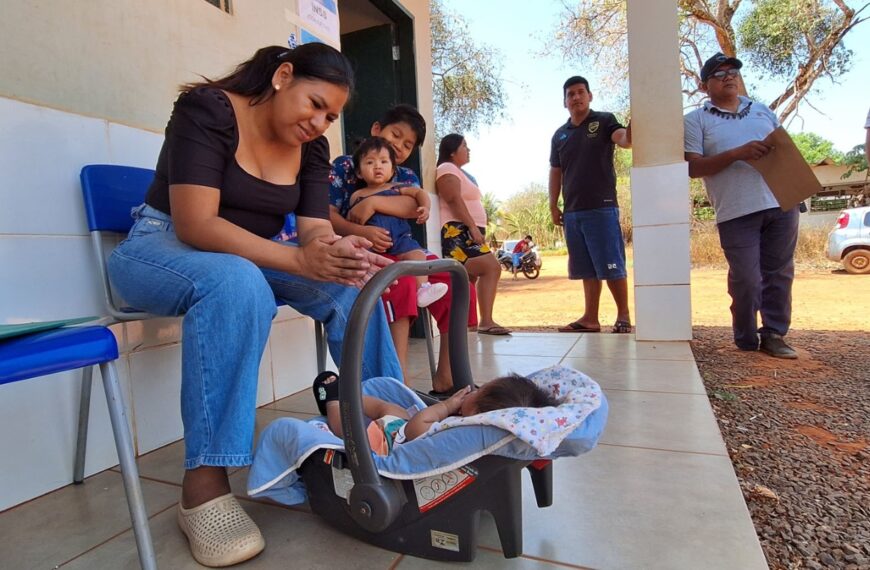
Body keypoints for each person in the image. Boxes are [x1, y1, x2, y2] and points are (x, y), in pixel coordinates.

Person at [106, 44, 403, 567]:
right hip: (160, 246)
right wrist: (302, 260)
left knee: (353, 284)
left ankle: (394, 429)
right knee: (240, 282)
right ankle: (204, 487)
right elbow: (197, 224)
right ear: (284, 77)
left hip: (242, 258)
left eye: (331, 116)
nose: (320, 122)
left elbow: (312, 232)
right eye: (314, 104)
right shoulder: (209, 109)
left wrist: (340, 252)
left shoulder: (310, 149)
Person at [327, 105, 478, 397]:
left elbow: (413, 207)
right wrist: (360, 229)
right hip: (365, 250)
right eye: (396, 135)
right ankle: (400, 383)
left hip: (405, 248)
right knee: (402, 284)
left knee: (458, 282)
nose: (399, 145)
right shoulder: (346, 166)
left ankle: (447, 378)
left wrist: (372, 203)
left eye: (407, 144)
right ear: (376, 129)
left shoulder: (405, 174)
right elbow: (329, 214)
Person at [684, 52, 799, 359]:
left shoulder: (761, 111)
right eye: (720, 74)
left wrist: (797, 191)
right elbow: (694, 168)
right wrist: (738, 153)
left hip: (780, 202)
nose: (729, 77)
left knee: (779, 272)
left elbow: (784, 150)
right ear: (705, 85)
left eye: (733, 71)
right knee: (746, 276)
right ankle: (745, 333)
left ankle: (774, 333)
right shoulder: (696, 121)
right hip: (735, 210)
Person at [549, 76, 633, 335]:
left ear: (590, 96)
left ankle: (623, 315)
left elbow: (624, 139)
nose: (576, 97)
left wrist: (631, 131)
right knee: (586, 267)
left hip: (602, 207)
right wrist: (553, 204)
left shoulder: (604, 120)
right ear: (565, 102)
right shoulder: (560, 135)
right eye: (570, 94)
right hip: (573, 211)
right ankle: (590, 318)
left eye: (580, 92)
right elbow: (555, 171)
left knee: (611, 264)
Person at [312, 371, 561, 455]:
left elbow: (415, 430)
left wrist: (448, 406)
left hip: (388, 446)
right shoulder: (481, 433)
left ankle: (334, 401)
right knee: (388, 408)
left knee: (355, 432)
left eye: (480, 389)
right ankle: (348, 395)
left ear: (474, 410)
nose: (473, 388)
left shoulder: (460, 430)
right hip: (398, 431)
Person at [349, 136, 448, 306]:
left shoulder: (397, 187)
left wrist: (425, 207)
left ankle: (423, 288)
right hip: (375, 246)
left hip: (402, 239)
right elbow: (352, 220)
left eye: (384, 162)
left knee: (417, 255)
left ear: (393, 170)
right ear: (359, 172)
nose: (378, 166)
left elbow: (419, 194)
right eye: (370, 162)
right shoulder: (357, 195)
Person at [436, 134, 511, 336]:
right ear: (452, 151)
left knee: (468, 279)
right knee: (492, 268)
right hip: (458, 231)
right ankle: (486, 321)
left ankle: (468, 323)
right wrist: (472, 226)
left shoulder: (462, 173)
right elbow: (452, 199)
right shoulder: (446, 169)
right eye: (464, 146)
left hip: (468, 231)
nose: (468, 150)